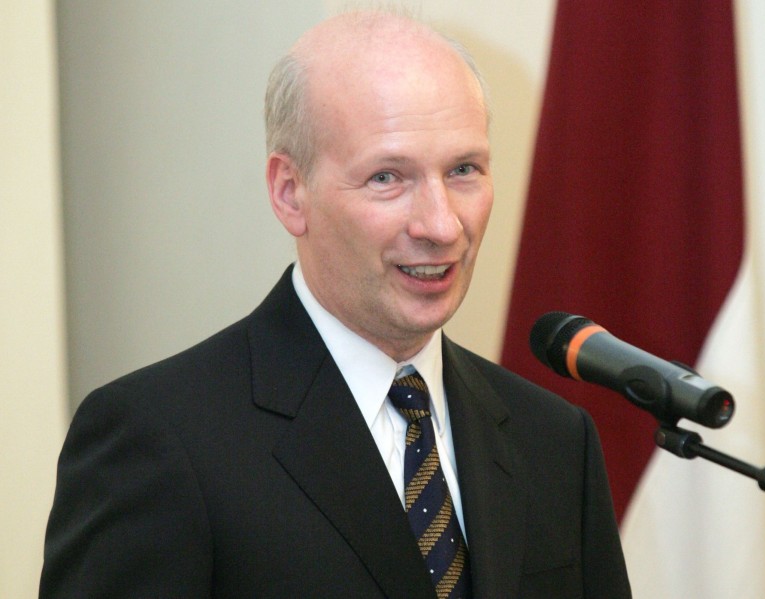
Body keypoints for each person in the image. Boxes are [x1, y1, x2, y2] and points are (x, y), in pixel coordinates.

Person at [40, 11, 630, 598]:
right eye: (387, 178)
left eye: (463, 170)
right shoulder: (161, 440)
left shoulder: (554, 439)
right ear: (290, 193)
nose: (443, 225)